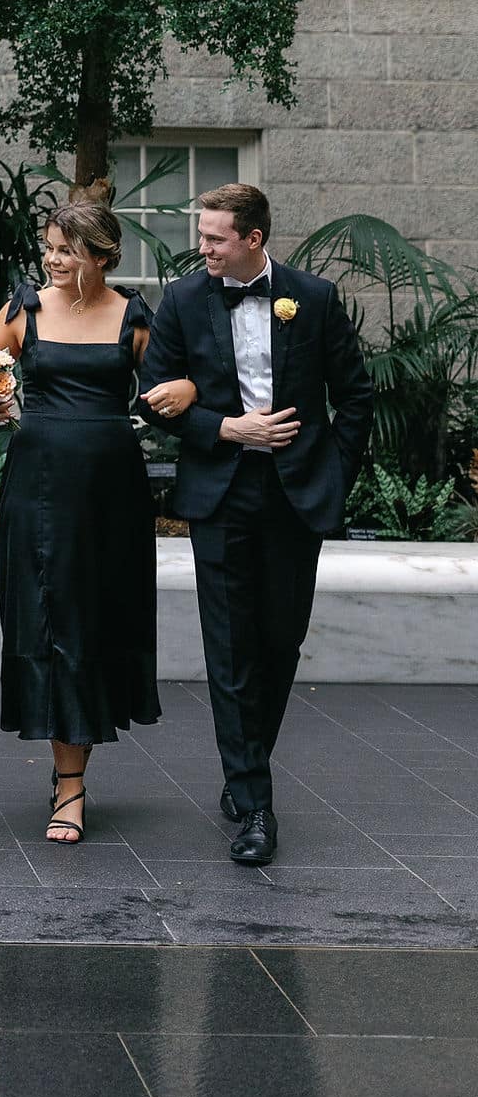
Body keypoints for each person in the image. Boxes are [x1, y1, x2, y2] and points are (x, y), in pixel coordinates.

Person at [0, 200, 197, 844]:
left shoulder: (134, 318)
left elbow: (175, 392)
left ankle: (75, 767)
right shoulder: (24, 309)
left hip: (111, 492)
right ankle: (68, 784)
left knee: (93, 618)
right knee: (50, 616)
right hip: (39, 484)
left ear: (103, 256)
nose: (53, 259)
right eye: (49, 247)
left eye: (67, 250)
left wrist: (186, 391)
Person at [140, 181, 375, 866]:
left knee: (280, 641)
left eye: (215, 237)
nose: (203, 247)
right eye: (203, 235)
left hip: (295, 498)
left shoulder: (315, 298)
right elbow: (154, 401)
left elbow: (354, 396)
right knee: (232, 649)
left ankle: (246, 769)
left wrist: (333, 473)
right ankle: (256, 803)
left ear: (253, 239)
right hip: (221, 496)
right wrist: (225, 427)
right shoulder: (184, 300)